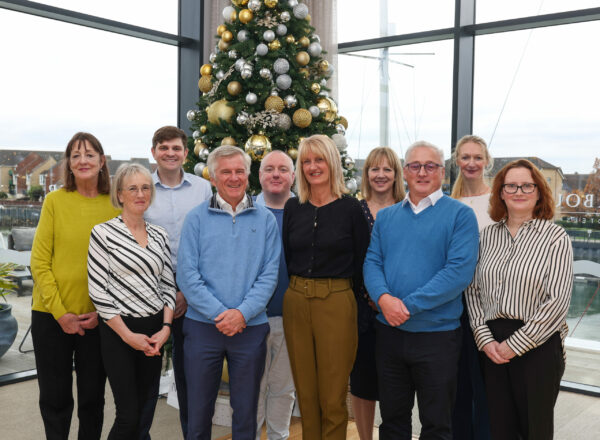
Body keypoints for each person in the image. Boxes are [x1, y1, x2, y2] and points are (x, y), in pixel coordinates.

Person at [363, 140, 479, 440]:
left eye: (430, 166)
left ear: (442, 172)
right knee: (392, 421)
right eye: (415, 166)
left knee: (437, 424)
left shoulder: (460, 215)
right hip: (389, 334)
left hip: (437, 338)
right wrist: (384, 299)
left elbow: (458, 273)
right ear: (405, 171)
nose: (422, 172)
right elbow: (372, 262)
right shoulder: (387, 217)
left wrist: (406, 306)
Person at [177, 145, 280, 440]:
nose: (234, 178)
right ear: (213, 178)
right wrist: (221, 314)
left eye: (239, 171)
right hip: (202, 327)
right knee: (198, 413)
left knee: (246, 414)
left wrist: (241, 314)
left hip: (250, 327)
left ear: (247, 175)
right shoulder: (196, 219)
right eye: (226, 172)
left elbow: (269, 275)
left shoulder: (265, 220)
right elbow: (187, 275)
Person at [465, 159, 573, 440]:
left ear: (539, 192)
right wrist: (483, 338)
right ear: (501, 192)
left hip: (538, 345)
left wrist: (514, 345)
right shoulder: (486, 237)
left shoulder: (555, 237)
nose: (519, 191)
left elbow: (557, 302)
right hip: (492, 345)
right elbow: (473, 291)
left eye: (527, 186)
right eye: (511, 186)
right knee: (499, 430)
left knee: (535, 431)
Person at [30, 132, 119, 440]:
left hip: (98, 318)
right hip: (51, 316)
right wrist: (60, 313)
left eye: (89, 154)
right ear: (68, 163)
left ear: (102, 161)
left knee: (93, 399)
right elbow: (39, 262)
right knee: (54, 398)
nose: (83, 161)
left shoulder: (115, 204)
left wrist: (103, 312)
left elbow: (121, 267)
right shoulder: (54, 201)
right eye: (76, 155)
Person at [282, 134, 370, 440]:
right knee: (305, 395)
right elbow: (287, 255)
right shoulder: (293, 207)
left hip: (337, 303)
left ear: (332, 162)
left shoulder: (351, 208)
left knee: (332, 397)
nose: (312, 167)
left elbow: (362, 262)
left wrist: (356, 310)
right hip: (296, 302)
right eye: (306, 161)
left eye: (319, 159)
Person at [87, 163, 176, 439]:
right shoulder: (103, 233)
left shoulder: (159, 234)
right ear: (120, 194)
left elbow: (168, 285)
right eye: (133, 188)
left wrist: (166, 329)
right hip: (119, 331)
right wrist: (128, 336)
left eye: (146, 188)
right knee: (128, 416)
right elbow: (98, 292)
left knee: (146, 409)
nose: (140, 194)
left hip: (155, 330)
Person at [142, 125, 212, 439]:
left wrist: (185, 291)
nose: (170, 153)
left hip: (191, 291)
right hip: (149, 292)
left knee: (189, 377)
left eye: (176, 148)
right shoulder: (142, 188)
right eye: (164, 147)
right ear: (154, 152)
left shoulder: (203, 189)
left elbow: (210, 241)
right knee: (145, 374)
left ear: (185, 153)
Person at [351, 147, 405, 440]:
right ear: (366, 174)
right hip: (361, 311)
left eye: (387, 169)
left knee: (396, 384)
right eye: (375, 169)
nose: (380, 175)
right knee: (362, 383)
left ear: (396, 174)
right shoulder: (354, 210)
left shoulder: (409, 210)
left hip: (400, 310)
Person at [449, 135, 493, 440]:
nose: (471, 163)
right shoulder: (448, 204)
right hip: (455, 302)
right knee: (457, 382)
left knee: (486, 382)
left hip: (489, 302)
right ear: (457, 161)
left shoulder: (498, 202)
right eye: (465, 157)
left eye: (477, 157)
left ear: (487, 161)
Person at [254, 150, 297, 440]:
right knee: (252, 388)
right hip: (252, 317)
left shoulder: (305, 211)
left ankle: (279, 436)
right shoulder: (245, 210)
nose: (276, 174)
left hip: (292, 317)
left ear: (293, 176)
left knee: (284, 387)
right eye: (269, 169)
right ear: (259, 175)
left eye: (283, 169)